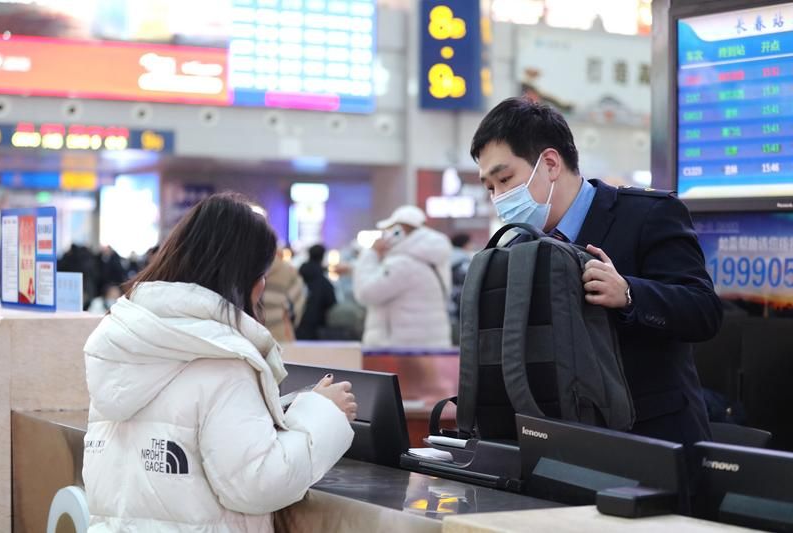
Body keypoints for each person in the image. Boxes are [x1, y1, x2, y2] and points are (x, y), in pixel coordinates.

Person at [82, 193, 356, 532]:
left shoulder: (127, 343)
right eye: (262, 273)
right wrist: (323, 415)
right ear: (246, 278)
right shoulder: (224, 360)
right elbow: (257, 484)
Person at [470, 97, 723, 454]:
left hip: (653, 442)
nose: (499, 197)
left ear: (550, 164)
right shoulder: (517, 249)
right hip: (563, 444)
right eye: (490, 187)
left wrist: (629, 294)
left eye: (505, 179)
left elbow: (704, 311)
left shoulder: (648, 215)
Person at [353, 205, 452, 347]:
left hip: (400, 350)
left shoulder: (403, 264)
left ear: (399, 231)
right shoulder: (432, 259)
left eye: (388, 231)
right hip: (427, 345)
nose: (385, 236)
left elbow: (366, 293)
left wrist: (371, 253)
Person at [262, 249, 306, 343]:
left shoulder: (247, 267)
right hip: (280, 332)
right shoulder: (288, 270)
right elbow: (299, 302)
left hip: (251, 332)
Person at [296, 244, 337, 340]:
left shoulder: (297, 276)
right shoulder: (323, 282)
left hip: (295, 326)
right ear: (322, 257)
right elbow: (332, 301)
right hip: (316, 328)